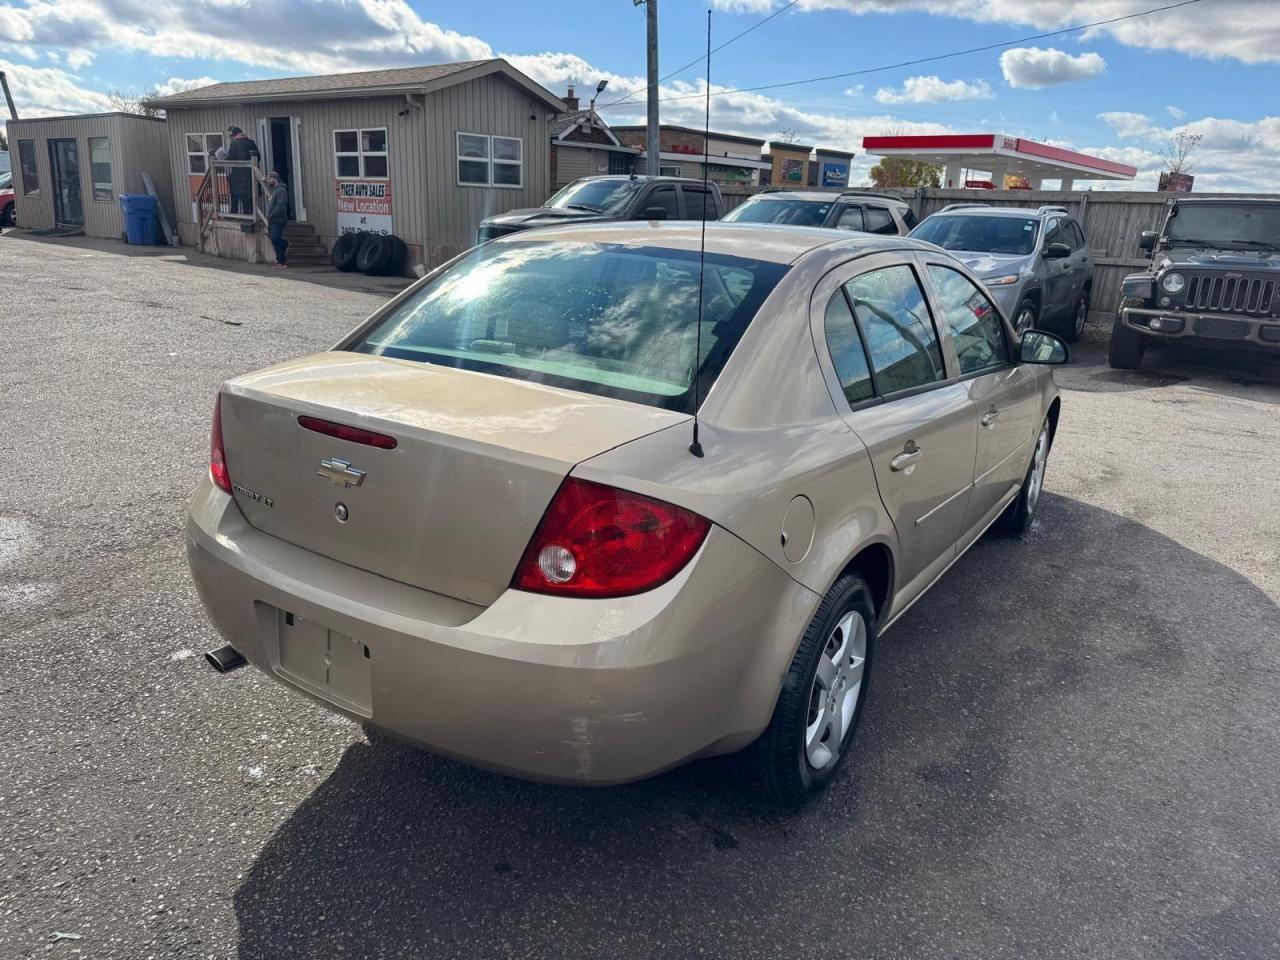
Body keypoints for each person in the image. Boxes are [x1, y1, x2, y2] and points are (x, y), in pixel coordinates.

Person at [224, 126, 260, 215]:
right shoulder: (251, 142)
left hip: (238, 177)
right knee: (249, 197)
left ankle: (235, 214)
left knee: (238, 196)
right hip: (251, 175)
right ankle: (251, 215)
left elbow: (230, 159)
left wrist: (225, 157)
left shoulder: (234, 144)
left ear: (234, 135)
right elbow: (258, 157)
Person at [264, 171, 289, 267]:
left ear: (274, 178)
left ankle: (285, 243)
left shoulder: (281, 190)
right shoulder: (274, 190)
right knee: (274, 241)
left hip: (279, 220)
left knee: (275, 238)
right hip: (272, 220)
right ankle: (281, 261)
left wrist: (271, 215)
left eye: (269, 179)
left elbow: (281, 205)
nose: (268, 181)